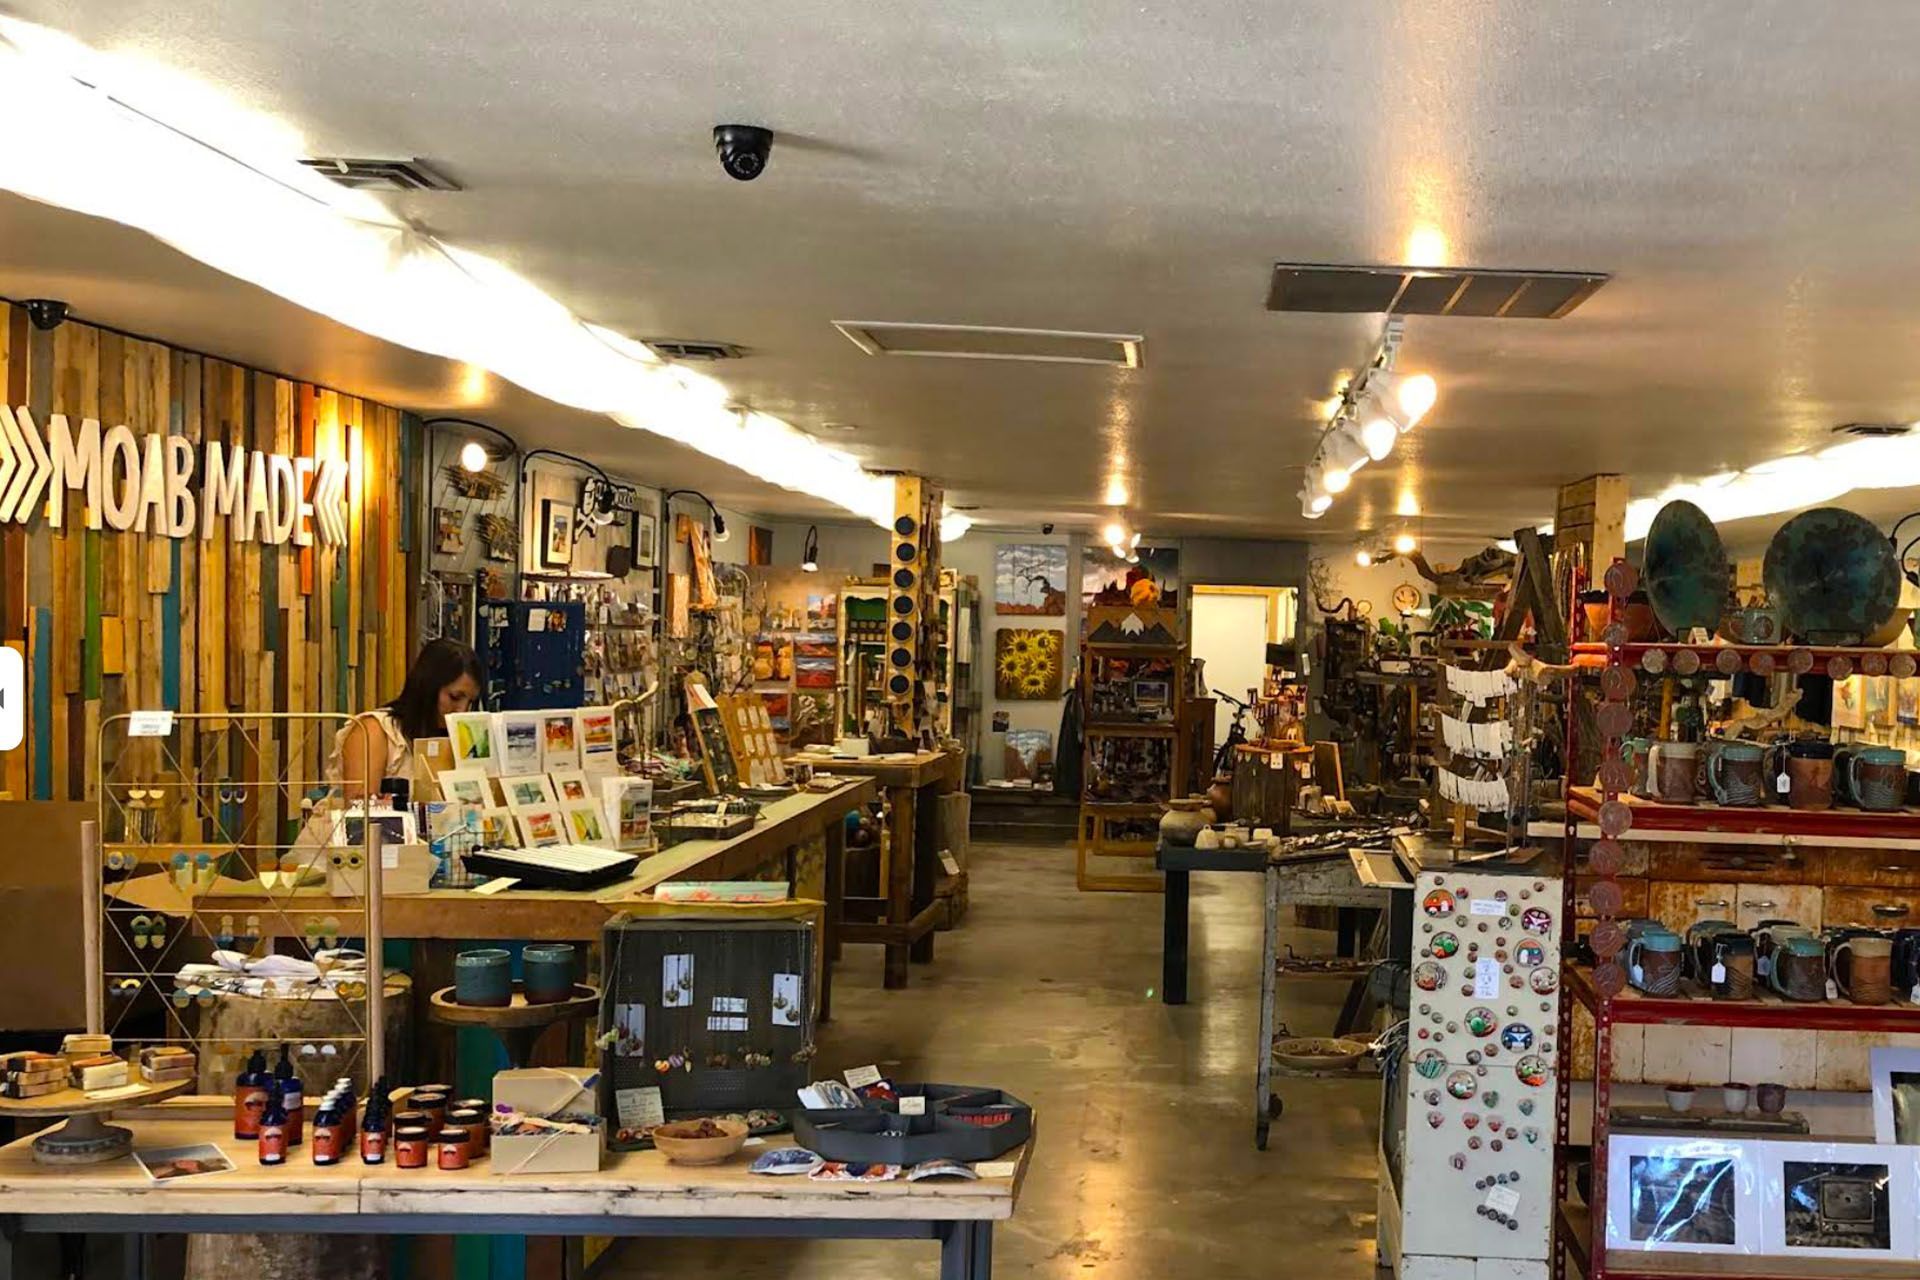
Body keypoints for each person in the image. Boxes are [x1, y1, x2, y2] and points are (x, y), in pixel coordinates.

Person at [329, 638, 483, 802]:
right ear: (427, 687)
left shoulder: (459, 738)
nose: (462, 710)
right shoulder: (374, 731)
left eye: (471, 702)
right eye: (455, 697)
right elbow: (359, 813)